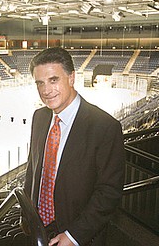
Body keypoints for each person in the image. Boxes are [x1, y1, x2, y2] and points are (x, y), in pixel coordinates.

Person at [24, 47, 125, 246]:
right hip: (38, 229)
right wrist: (27, 213)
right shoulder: (40, 117)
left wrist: (73, 235)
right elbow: (33, 169)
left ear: (71, 78)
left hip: (78, 234)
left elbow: (109, 192)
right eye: (40, 83)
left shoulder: (105, 127)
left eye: (54, 80)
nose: (46, 90)